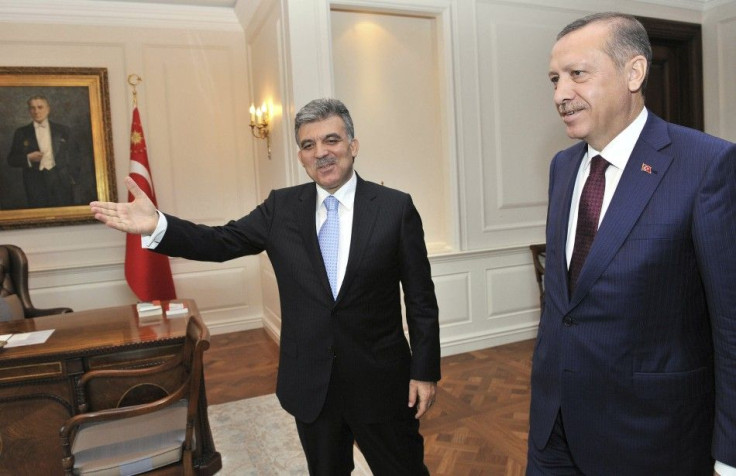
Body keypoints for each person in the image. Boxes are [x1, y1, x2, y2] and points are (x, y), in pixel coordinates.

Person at [90, 98, 441, 475]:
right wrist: (158, 225)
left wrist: (424, 371)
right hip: (310, 385)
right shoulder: (281, 208)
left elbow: (420, 299)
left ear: (353, 146)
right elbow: (220, 241)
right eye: (309, 145)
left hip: (380, 383)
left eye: (331, 140)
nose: (321, 152)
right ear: (301, 156)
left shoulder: (394, 208)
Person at [527, 12, 736, 475]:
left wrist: (730, 453)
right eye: (555, 79)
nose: (561, 94)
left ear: (634, 72)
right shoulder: (563, 167)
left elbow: (731, 323)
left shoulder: (707, 164)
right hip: (552, 428)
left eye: (578, 74)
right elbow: (566, 304)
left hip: (650, 439)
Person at [6, 95, 82, 208]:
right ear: (29, 110)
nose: (36, 111)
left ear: (48, 109)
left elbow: (76, 155)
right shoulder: (21, 132)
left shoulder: (63, 130)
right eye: (32, 108)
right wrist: (28, 158)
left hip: (61, 181)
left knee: (65, 214)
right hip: (35, 182)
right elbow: (11, 160)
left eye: (40, 107)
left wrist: (72, 177)